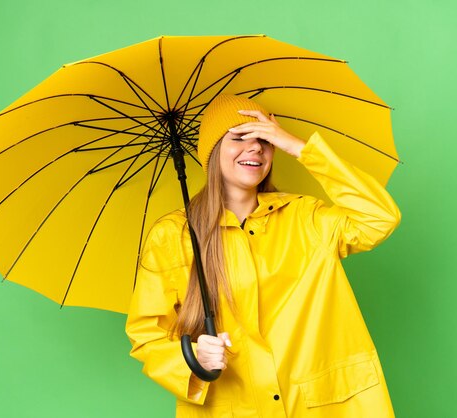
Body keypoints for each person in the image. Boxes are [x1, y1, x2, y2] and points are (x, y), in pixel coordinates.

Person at [126, 94, 401, 417]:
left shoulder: (305, 216)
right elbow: (147, 335)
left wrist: (298, 147)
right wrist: (192, 358)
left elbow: (380, 218)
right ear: (212, 152)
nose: (255, 147)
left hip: (322, 406)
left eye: (264, 139)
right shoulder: (174, 236)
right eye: (240, 137)